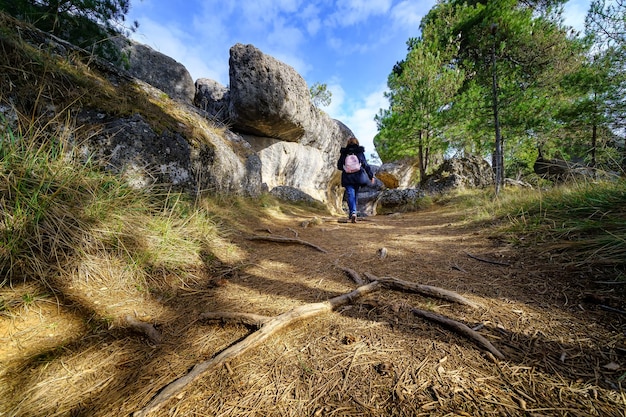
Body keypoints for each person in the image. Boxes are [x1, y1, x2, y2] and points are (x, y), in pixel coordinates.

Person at [337, 137, 375, 223]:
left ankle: (352, 213)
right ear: (357, 142)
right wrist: (371, 176)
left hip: (347, 176)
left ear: (348, 143)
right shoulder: (359, 151)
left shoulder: (344, 152)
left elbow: (339, 165)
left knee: (350, 194)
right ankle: (353, 213)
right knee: (355, 195)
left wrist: (346, 168)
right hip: (358, 176)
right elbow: (365, 164)